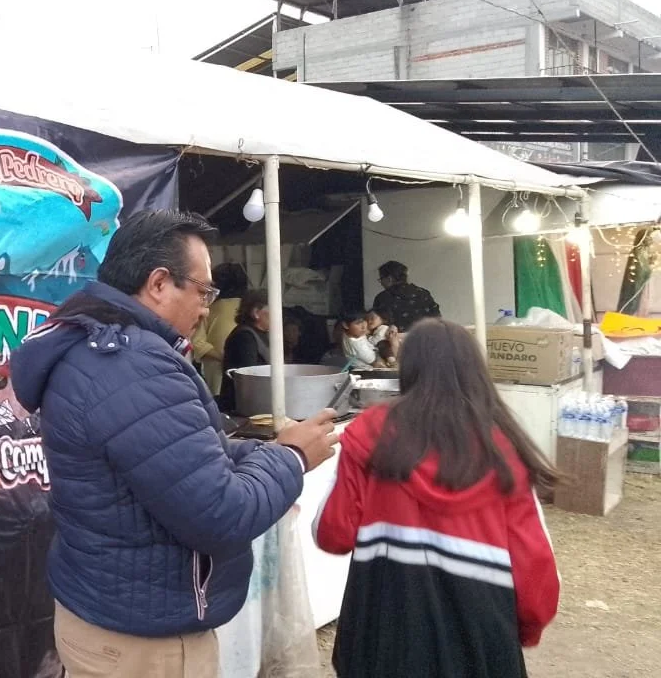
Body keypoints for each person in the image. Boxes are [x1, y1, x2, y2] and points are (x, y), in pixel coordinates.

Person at [10, 210, 338, 678]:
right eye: (203, 291)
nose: (207, 307)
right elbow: (221, 513)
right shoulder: (132, 366)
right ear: (159, 283)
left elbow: (193, 458)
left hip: (112, 616)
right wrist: (291, 458)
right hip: (143, 644)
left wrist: (268, 454)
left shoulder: (101, 350)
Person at [315, 320, 560, 678]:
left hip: (380, 642)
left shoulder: (371, 431)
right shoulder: (503, 447)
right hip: (480, 643)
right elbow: (534, 567)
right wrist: (525, 630)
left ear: (409, 368)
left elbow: (333, 533)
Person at [191, 263, 249, 396]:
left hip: (216, 376)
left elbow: (197, 342)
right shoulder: (250, 309)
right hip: (247, 375)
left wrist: (222, 356)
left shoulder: (208, 309)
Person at [218, 290, 270, 412]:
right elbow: (249, 376)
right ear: (256, 312)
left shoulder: (264, 335)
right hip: (243, 408)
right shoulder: (244, 337)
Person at [372, 261, 441, 331]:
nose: (381, 283)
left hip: (395, 340)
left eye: (381, 279)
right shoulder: (424, 293)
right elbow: (437, 320)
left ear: (389, 279)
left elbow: (374, 326)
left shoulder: (382, 298)